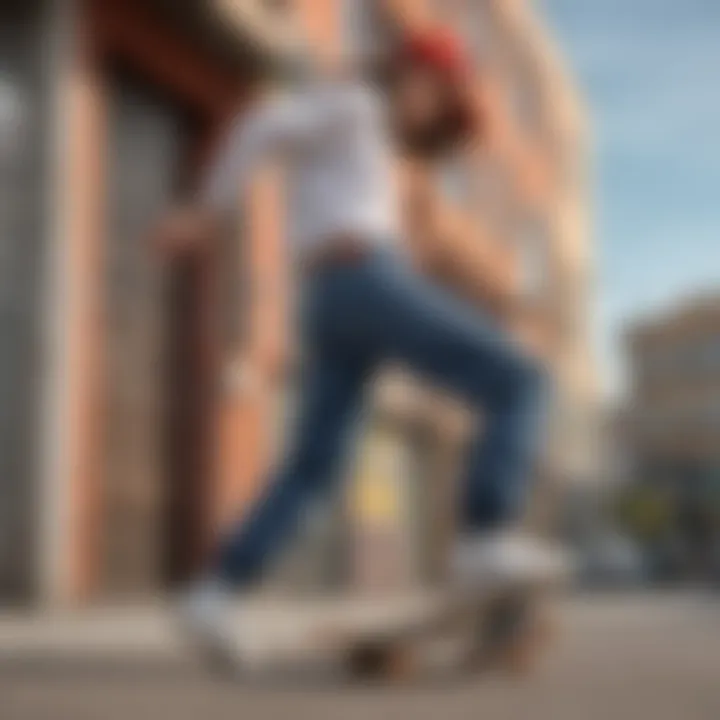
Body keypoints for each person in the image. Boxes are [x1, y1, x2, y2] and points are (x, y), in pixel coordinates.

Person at [155, 28, 568, 666]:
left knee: (313, 465)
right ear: (412, 75)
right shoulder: (355, 104)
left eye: (439, 110)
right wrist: (208, 211)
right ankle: (484, 538)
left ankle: (216, 591)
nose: (426, 114)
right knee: (520, 381)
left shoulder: (375, 144)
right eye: (431, 97)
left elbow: (427, 248)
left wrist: (501, 298)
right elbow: (263, 123)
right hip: (360, 279)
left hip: (334, 297)